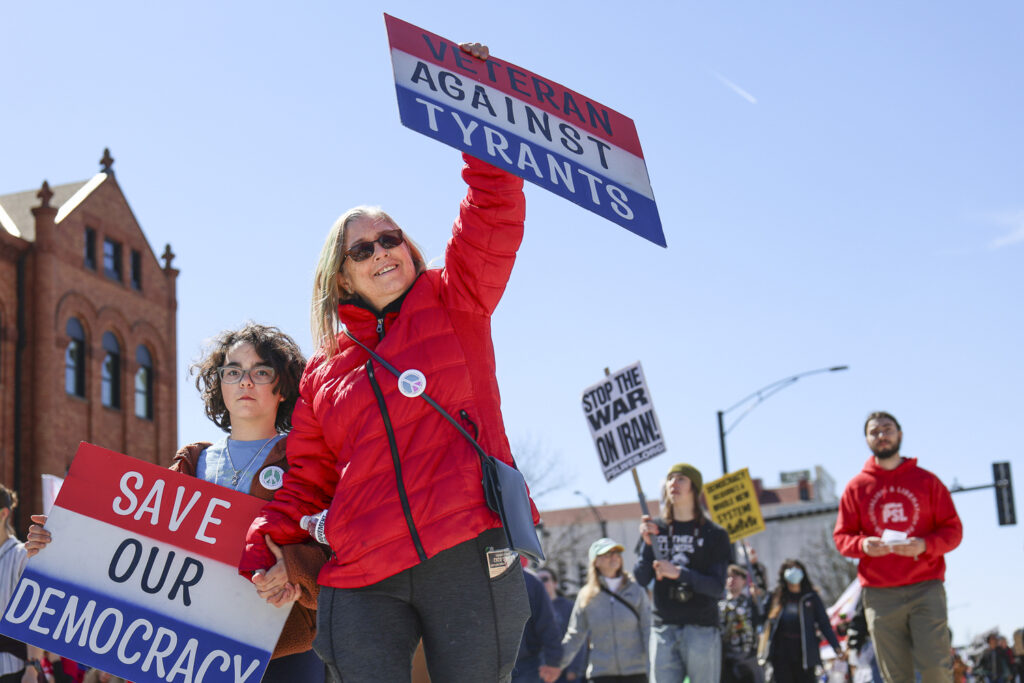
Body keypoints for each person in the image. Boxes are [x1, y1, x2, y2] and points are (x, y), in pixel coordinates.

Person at [236, 41, 535, 682]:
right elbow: (306, 481)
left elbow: (494, 210)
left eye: (390, 237)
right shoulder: (322, 375)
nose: (381, 251)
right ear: (341, 278)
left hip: (469, 546)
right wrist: (266, 543)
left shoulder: (457, 300)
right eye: (363, 247)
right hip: (363, 570)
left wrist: (477, 111)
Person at [26, 323, 327, 683]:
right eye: (233, 371)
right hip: (196, 651)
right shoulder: (191, 463)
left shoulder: (306, 461)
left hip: (281, 649)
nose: (245, 381)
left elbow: (334, 544)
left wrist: (293, 568)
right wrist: (61, 543)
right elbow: (138, 553)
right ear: (221, 385)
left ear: (283, 387)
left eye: (261, 371)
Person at [834, 412, 963, 683]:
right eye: (875, 431)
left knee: (936, 668)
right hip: (880, 595)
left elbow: (953, 531)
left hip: (925, 586)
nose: (882, 435)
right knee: (895, 676)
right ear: (867, 439)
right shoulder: (856, 487)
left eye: (887, 429)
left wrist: (925, 545)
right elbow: (841, 538)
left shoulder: (927, 481)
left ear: (900, 434)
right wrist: (863, 544)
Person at [635, 463, 731, 683]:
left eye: (681, 479)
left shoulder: (715, 534)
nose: (673, 484)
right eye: (670, 479)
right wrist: (647, 545)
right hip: (663, 628)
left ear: (694, 489)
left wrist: (679, 573)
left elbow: (717, 588)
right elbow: (641, 578)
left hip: (702, 630)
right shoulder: (655, 528)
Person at [558, 537, 651, 683]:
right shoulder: (586, 596)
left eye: (616, 553)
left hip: (637, 672)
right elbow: (575, 635)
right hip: (601, 674)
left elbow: (648, 629)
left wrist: (653, 665)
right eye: (607, 554)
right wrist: (555, 664)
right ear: (596, 561)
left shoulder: (636, 590)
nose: (614, 557)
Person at [763, 559, 844, 683]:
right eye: (789, 569)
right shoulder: (776, 597)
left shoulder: (811, 597)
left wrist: (836, 647)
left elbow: (824, 624)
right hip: (781, 654)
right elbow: (763, 618)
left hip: (805, 654)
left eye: (796, 568)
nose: (793, 572)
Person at [512, 570, 564, 683]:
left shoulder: (531, 582)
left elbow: (547, 625)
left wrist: (553, 662)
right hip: (486, 664)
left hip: (526, 665)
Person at [536, 567, 586, 683]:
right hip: (542, 672)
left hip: (566, 672)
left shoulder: (569, 607)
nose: (542, 583)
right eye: (538, 581)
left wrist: (575, 669)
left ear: (555, 583)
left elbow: (579, 637)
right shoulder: (532, 610)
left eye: (545, 579)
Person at [719, 564, 762, 683]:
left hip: (748, 657)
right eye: (729, 577)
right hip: (726, 659)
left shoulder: (751, 603)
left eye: (735, 576)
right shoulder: (719, 605)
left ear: (744, 581)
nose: (731, 580)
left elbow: (762, 617)